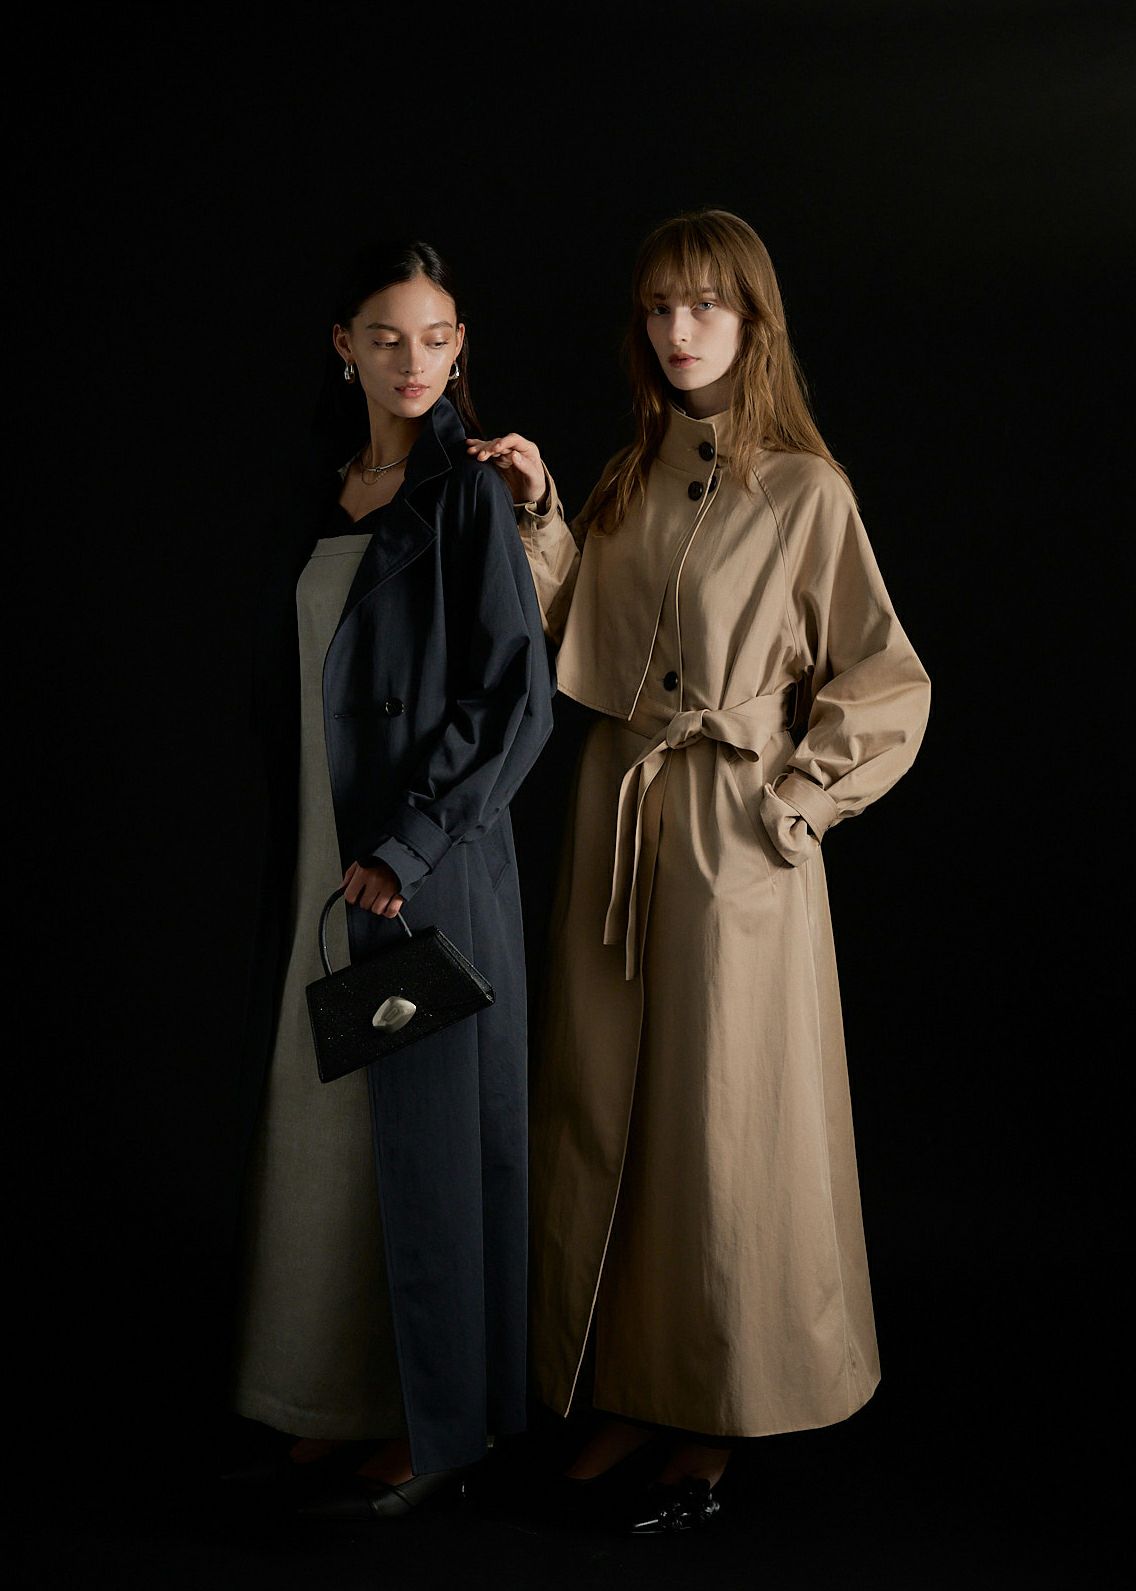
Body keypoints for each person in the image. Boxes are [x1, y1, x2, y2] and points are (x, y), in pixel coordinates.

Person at [468, 208, 931, 1533]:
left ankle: (712, 1412)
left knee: (720, 1131)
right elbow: (569, 628)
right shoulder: (627, 476)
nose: (680, 330)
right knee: (607, 1111)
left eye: (707, 305)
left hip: (734, 839)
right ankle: (623, 1383)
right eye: (660, 306)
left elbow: (884, 676)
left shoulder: (805, 491)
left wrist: (796, 802)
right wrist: (540, 511)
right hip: (617, 830)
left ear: (752, 320)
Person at [230, 240, 554, 1521]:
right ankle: (339, 1398)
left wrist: (407, 848)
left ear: (460, 344)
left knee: (423, 1149)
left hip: (419, 870)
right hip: (324, 854)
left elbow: (513, 700)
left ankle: (441, 1426)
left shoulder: (463, 492)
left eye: (435, 337)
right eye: (385, 337)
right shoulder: (325, 487)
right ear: (344, 346)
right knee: (330, 1144)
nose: (413, 361)